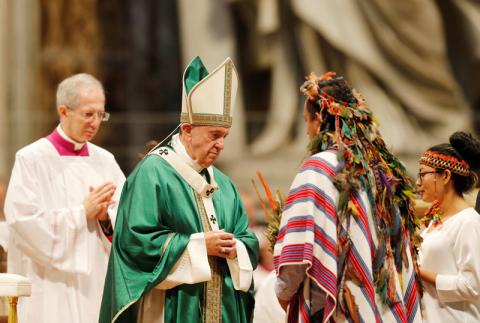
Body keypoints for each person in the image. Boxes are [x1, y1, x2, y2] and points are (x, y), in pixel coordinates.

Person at [100, 57, 259, 323]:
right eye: (214, 135)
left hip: (222, 309)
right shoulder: (153, 173)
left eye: (225, 137)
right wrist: (198, 246)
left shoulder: (225, 185)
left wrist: (236, 248)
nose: (221, 145)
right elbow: (135, 242)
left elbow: (248, 238)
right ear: (187, 130)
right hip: (172, 306)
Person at [273, 72, 423, 322]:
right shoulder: (383, 169)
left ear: (320, 118)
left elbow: (298, 253)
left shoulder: (317, 169)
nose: (308, 132)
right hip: (387, 305)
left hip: (344, 309)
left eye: (306, 122)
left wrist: (281, 293)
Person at [4, 73, 125, 323]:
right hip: (49, 283)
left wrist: (105, 218)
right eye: (88, 114)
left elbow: (126, 215)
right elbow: (23, 221)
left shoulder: (105, 161)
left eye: (101, 114)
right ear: (64, 111)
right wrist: (82, 213)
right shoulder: (31, 159)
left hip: (95, 281)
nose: (95, 122)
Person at [416, 131, 480, 322]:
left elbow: (474, 286)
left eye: (423, 174)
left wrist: (420, 273)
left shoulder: (468, 221)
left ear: (445, 176)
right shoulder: (432, 223)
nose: (418, 182)